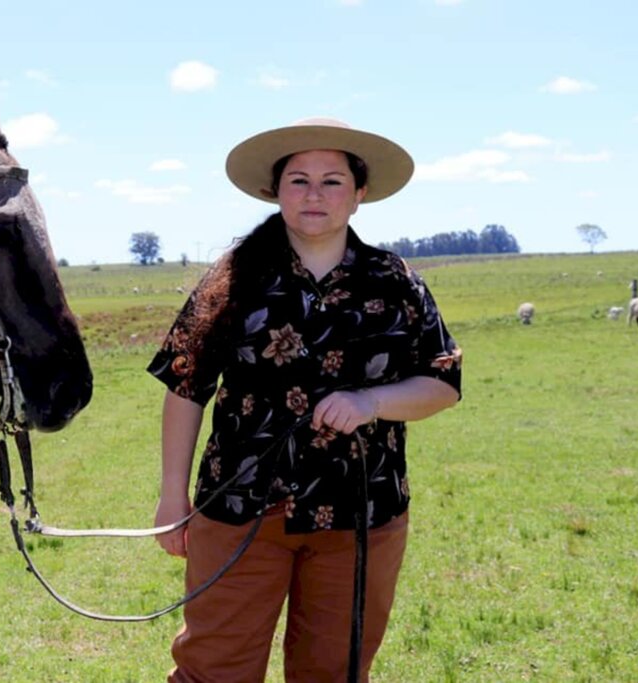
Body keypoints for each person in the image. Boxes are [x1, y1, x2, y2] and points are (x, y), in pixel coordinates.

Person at [147, 117, 462, 682]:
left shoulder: (396, 282)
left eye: (332, 180)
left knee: (334, 673)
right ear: (276, 191)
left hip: (362, 512)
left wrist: (372, 402)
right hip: (239, 507)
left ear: (359, 194)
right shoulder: (232, 280)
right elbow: (185, 385)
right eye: (298, 179)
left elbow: (442, 383)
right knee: (213, 669)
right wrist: (172, 497)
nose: (315, 193)